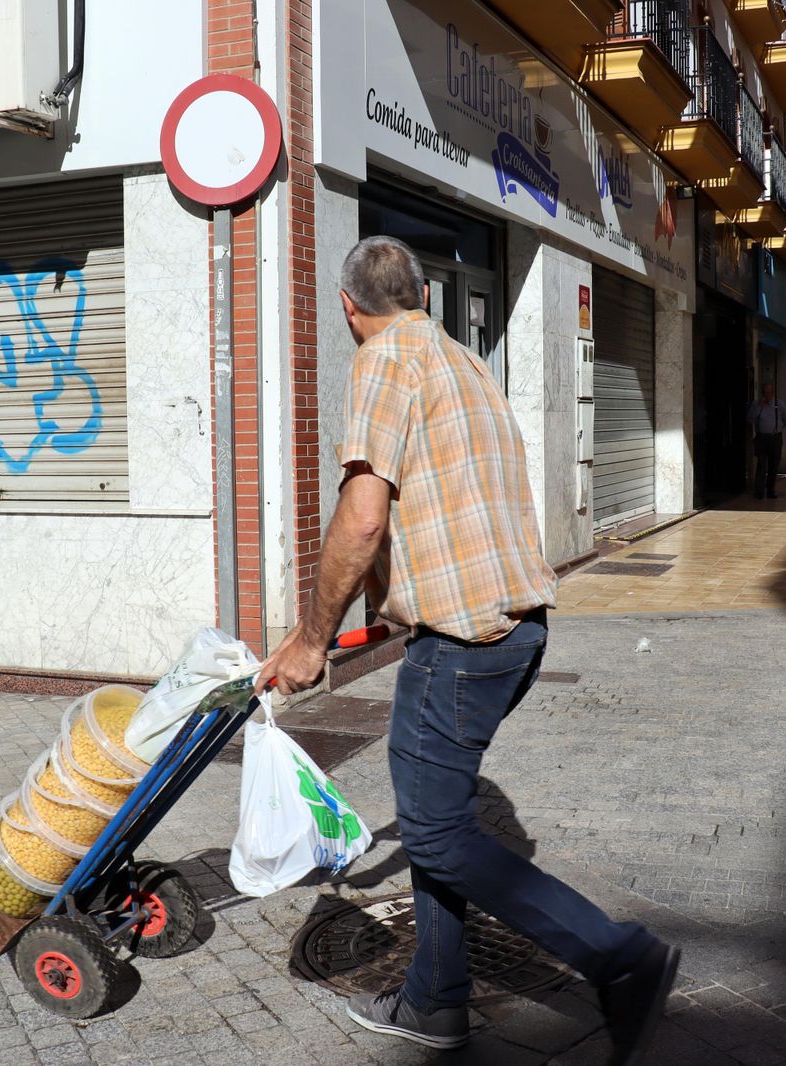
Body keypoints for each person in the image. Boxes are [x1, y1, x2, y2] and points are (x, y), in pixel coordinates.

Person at [256, 236, 679, 1062]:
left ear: (349, 307)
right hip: (517, 628)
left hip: (462, 644)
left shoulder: (383, 360)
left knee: (438, 834)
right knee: (435, 821)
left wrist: (311, 639)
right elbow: (439, 502)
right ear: (422, 295)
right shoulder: (466, 363)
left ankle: (619, 958)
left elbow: (363, 518)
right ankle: (435, 1001)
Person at [746, 382, 786, 500]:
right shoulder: (756, 404)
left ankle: (771, 490)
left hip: (775, 438)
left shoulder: (779, 404)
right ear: (762, 393)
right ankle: (759, 492)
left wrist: (778, 427)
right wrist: (759, 407)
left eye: (769, 393)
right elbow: (750, 419)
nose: (767, 395)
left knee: (773, 465)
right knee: (761, 464)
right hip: (761, 438)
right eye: (765, 393)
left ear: (773, 393)